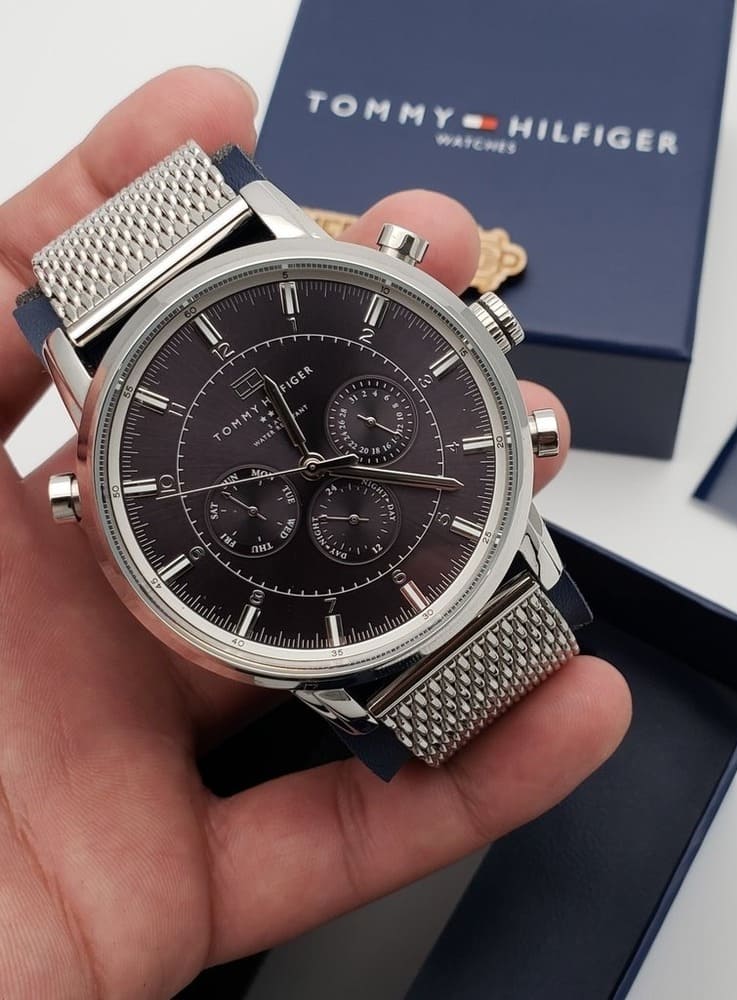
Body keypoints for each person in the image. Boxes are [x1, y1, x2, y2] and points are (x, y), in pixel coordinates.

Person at [0, 67, 632, 998]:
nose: (309, 471)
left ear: (480, 329)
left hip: (468, 564)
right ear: (80, 502)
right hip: (352, 630)